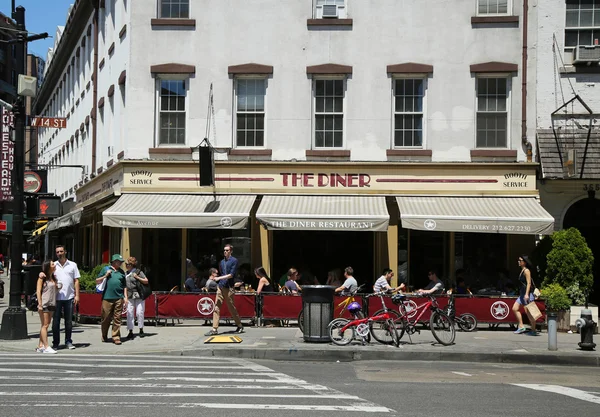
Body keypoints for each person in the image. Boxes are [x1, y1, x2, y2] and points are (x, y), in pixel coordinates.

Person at [204, 244, 244, 336]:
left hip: (229, 287)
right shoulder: (221, 262)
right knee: (216, 307)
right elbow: (222, 273)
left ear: (231, 251)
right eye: (224, 250)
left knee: (231, 307)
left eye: (227, 250)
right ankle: (214, 328)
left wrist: (219, 278)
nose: (225, 252)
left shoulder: (234, 261)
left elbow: (231, 275)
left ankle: (239, 325)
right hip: (221, 286)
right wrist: (219, 280)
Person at [52, 244, 81, 350]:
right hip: (56, 297)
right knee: (56, 322)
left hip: (69, 297)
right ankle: (56, 343)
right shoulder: (53, 265)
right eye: (57, 252)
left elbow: (76, 280)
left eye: (61, 251)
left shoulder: (72, 265)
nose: (59, 253)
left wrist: (77, 295)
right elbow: (48, 277)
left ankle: (68, 341)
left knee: (68, 321)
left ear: (65, 252)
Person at [97, 254, 128, 345]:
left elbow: (124, 285)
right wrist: (105, 276)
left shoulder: (122, 272)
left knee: (117, 318)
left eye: (121, 262)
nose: (120, 263)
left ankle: (116, 336)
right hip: (107, 297)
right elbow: (97, 280)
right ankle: (104, 334)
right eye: (119, 261)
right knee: (106, 317)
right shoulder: (105, 269)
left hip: (119, 297)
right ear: (114, 262)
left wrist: (125, 297)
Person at [36, 260, 58, 354]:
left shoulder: (53, 277)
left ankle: (40, 345)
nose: (54, 265)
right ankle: (46, 346)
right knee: (45, 325)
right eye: (53, 264)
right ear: (48, 267)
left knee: (46, 325)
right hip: (44, 303)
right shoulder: (42, 278)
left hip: (52, 303)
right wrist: (40, 304)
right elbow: (38, 291)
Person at [512, 255, 538, 335]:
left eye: (520, 260)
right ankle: (521, 326)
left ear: (524, 262)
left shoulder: (527, 271)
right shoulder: (522, 270)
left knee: (530, 313)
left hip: (527, 294)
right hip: (522, 294)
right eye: (518, 260)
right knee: (514, 308)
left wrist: (527, 294)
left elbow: (529, 283)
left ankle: (533, 330)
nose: (518, 262)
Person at [124, 257, 148, 340]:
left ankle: (141, 329)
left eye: (128, 264)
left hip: (139, 295)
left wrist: (137, 277)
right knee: (129, 313)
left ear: (132, 265)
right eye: (126, 264)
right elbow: (124, 286)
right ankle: (130, 331)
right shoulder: (125, 273)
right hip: (130, 294)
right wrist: (125, 297)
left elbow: (146, 281)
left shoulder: (138, 272)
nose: (126, 266)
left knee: (139, 312)